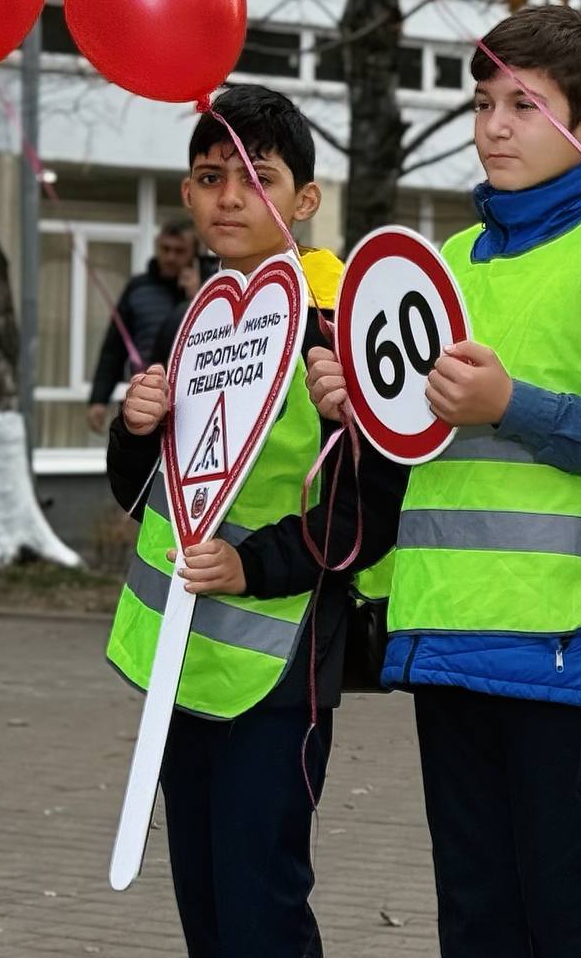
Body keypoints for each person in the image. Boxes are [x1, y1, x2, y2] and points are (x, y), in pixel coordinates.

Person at [307, 5, 581, 958]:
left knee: (566, 918)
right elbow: (417, 445)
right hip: (449, 629)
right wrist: (359, 408)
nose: (494, 126)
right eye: (484, 102)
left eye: (526, 104)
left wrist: (512, 403)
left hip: (566, 633)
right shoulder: (442, 266)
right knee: (475, 916)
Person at [103, 84, 405, 957]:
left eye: (258, 177)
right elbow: (145, 495)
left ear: (305, 202)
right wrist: (135, 431)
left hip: (282, 672)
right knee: (202, 900)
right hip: (176, 659)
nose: (231, 196)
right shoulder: (189, 327)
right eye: (210, 176)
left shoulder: (339, 330)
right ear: (188, 194)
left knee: (260, 903)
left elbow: (371, 510)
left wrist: (254, 566)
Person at [89, 217, 203, 432]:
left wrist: (197, 297)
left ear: (194, 254)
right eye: (165, 249)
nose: (170, 257)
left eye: (179, 251)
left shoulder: (209, 291)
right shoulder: (137, 288)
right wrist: (98, 399)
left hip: (191, 405)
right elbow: (113, 348)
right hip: (145, 401)